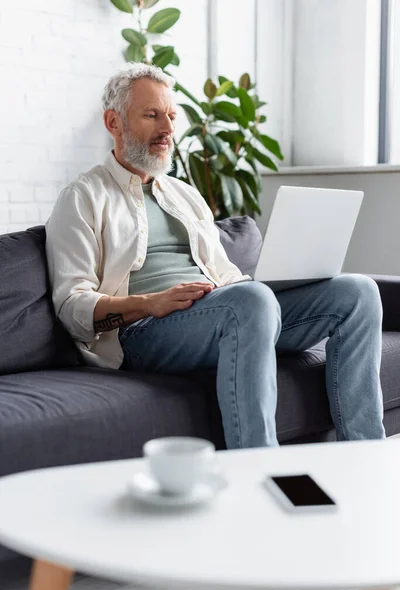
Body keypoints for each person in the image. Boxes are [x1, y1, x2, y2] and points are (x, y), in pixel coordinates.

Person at [46, 63, 386, 449]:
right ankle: (259, 467)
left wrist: (277, 284)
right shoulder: (83, 197)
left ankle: (364, 451)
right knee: (249, 303)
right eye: (152, 115)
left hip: (222, 314)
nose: (168, 130)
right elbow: (72, 309)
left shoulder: (184, 195)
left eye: (171, 116)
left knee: (358, 293)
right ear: (114, 122)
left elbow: (226, 276)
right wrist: (150, 303)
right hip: (143, 335)